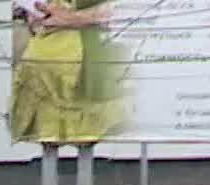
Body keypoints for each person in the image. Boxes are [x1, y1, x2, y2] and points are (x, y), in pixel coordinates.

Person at [7, 0, 130, 145]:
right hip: (48, 45)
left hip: (94, 44)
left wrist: (66, 18)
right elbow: (37, 15)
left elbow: (116, 12)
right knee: (37, 64)